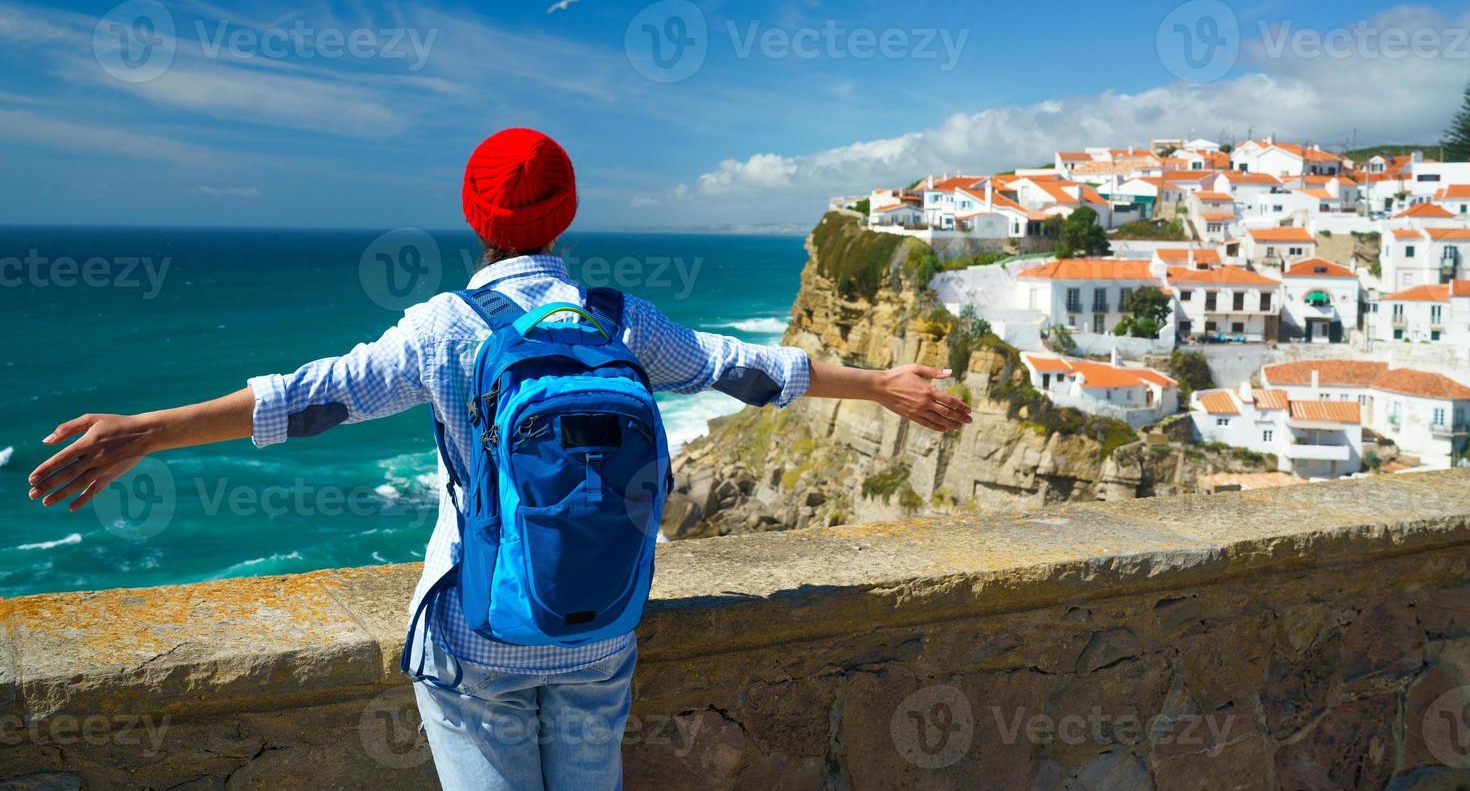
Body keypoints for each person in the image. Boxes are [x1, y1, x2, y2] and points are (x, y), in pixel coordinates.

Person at [27, 128, 973, 790]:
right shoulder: (616, 319)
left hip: (478, 632)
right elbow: (742, 368)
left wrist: (147, 430)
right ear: (567, 215)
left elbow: (307, 400)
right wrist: (881, 382)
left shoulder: (445, 330)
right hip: (600, 626)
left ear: (472, 217)